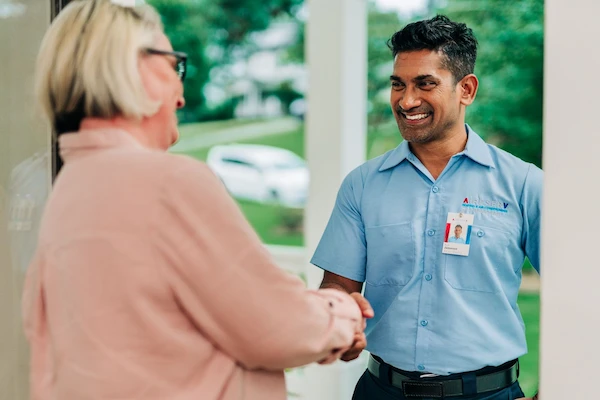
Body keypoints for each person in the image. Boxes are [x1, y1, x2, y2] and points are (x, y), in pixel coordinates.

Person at [21, 1, 373, 399]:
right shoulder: (167, 183)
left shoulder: (72, 187)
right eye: (175, 65)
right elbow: (273, 326)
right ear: (137, 68)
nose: (182, 95)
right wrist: (342, 314)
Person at [311, 15, 542, 400]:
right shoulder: (363, 184)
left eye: (425, 84)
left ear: (466, 89)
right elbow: (337, 286)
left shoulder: (523, 183)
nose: (407, 101)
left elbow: (581, 295)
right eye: (398, 85)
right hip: (380, 391)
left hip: (488, 394)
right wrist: (339, 320)